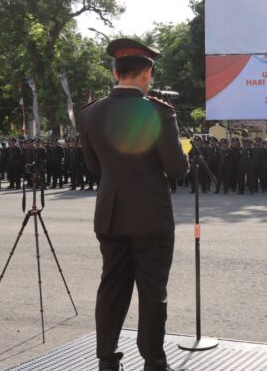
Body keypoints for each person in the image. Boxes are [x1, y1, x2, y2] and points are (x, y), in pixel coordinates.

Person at [79, 38, 188, 371]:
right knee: (152, 291)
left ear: (115, 72)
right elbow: (176, 169)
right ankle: (154, 362)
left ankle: (107, 359)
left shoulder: (90, 112)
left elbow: (93, 168)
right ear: (147, 74)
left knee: (111, 287)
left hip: (110, 215)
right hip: (151, 218)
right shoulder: (158, 112)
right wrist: (185, 151)